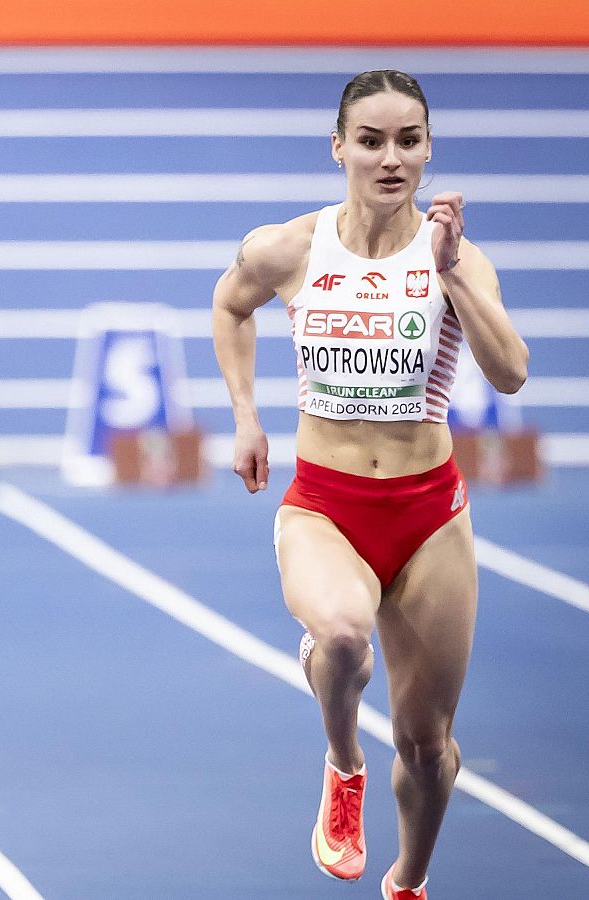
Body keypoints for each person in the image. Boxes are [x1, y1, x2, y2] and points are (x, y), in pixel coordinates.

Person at [211, 70, 528, 900]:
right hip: (325, 504)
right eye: (372, 140)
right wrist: (247, 417)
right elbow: (228, 304)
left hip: (429, 516)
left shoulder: (458, 257)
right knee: (345, 636)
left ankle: (409, 883)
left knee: (430, 748)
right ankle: (344, 765)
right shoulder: (291, 247)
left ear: (428, 149)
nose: (392, 159)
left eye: (409, 141)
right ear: (339, 147)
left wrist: (453, 274)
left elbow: (513, 375)